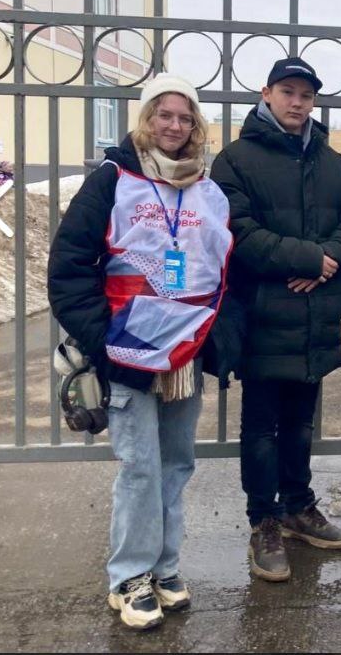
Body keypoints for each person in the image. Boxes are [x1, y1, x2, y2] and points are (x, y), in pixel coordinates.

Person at [48, 73, 243, 630]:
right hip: (128, 353)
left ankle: (164, 566)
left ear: (196, 125)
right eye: (164, 115)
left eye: (185, 117)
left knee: (176, 463)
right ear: (146, 118)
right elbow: (68, 269)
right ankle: (129, 577)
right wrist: (104, 340)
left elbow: (223, 270)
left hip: (185, 353)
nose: (174, 126)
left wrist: (217, 336)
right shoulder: (112, 180)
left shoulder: (207, 190)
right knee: (139, 467)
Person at [210, 57, 341, 583]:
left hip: (314, 314)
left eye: (306, 94)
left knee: (301, 422)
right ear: (267, 93)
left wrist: (328, 260)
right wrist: (307, 259)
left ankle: (299, 506)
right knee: (261, 425)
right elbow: (236, 231)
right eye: (287, 92)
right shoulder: (235, 159)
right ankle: (264, 520)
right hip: (263, 313)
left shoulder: (331, 160)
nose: (297, 102)